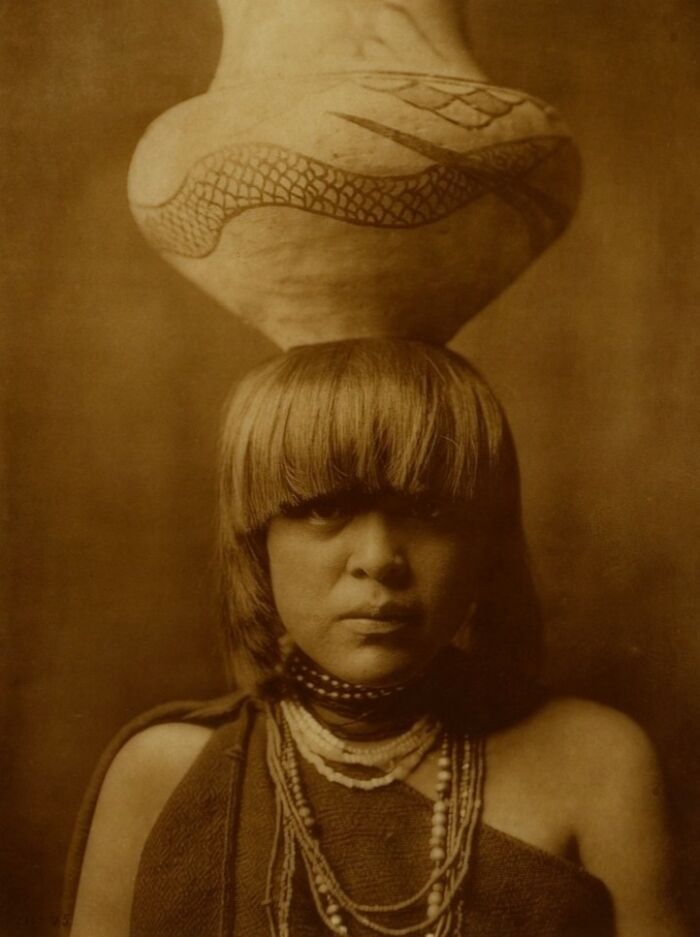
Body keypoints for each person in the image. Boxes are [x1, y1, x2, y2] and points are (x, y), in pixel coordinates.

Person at [63, 339, 686, 936]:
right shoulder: (162, 773)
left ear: (484, 546)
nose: (379, 559)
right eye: (324, 509)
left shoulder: (593, 765)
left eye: (430, 511)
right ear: (259, 543)